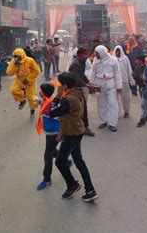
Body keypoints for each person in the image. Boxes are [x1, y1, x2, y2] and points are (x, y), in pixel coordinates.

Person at [49, 72, 98, 202]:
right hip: (76, 129)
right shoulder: (77, 93)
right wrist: (62, 132)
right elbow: (69, 116)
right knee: (78, 160)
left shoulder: (67, 99)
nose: (58, 86)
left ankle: (72, 184)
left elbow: (52, 111)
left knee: (60, 161)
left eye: (60, 84)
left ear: (65, 85)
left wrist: (58, 95)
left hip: (72, 133)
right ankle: (90, 190)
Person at [35, 82, 68, 190]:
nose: (38, 91)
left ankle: (47, 179)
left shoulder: (50, 106)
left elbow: (59, 118)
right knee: (52, 150)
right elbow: (41, 102)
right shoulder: (46, 101)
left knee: (47, 156)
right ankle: (67, 161)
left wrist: (61, 132)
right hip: (49, 133)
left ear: (43, 92)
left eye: (40, 90)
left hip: (54, 134)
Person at [88, 45, 122, 132]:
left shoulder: (113, 60)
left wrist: (119, 86)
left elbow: (117, 73)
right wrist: (91, 84)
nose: (96, 55)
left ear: (103, 52)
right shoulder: (95, 61)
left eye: (97, 53)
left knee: (113, 104)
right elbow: (92, 72)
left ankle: (112, 123)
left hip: (111, 84)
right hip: (99, 84)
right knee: (101, 103)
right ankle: (103, 121)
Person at [68, 47, 95, 137]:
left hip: (79, 88)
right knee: (80, 108)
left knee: (82, 108)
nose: (86, 56)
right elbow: (76, 78)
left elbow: (82, 75)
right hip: (74, 89)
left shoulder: (82, 62)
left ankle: (82, 126)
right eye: (84, 54)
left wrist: (88, 81)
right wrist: (87, 85)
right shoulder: (76, 64)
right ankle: (82, 127)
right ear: (79, 55)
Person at [6, 48, 40, 117]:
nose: (16, 58)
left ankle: (32, 109)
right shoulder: (13, 62)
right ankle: (22, 100)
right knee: (13, 90)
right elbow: (9, 73)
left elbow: (37, 71)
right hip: (19, 80)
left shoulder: (30, 60)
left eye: (17, 56)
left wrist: (28, 79)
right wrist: (14, 65)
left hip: (30, 81)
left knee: (30, 97)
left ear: (22, 55)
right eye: (15, 56)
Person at [113, 45, 136, 118]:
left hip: (124, 81)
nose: (117, 53)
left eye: (119, 51)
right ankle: (116, 112)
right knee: (115, 98)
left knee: (126, 97)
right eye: (116, 52)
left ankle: (126, 111)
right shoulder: (112, 59)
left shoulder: (125, 59)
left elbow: (129, 69)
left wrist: (131, 81)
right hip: (114, 82)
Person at [133, 54, 147, 127]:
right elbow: (135, 76)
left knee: (143, 104)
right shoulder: (136, 67)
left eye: (137, 60)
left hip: (146, 87)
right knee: (146, 103)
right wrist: (135, 76)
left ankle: (142, 118)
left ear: (141, 61)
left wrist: (143, 78)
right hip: (140, 87)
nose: (136, 61)